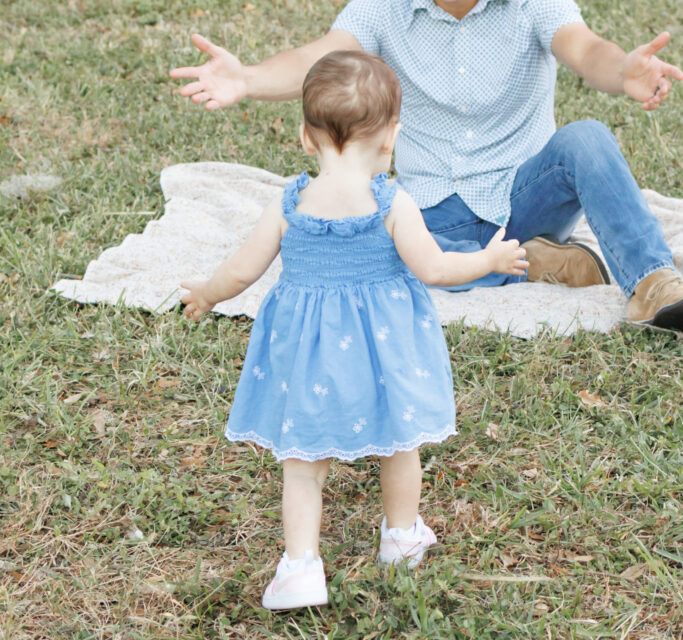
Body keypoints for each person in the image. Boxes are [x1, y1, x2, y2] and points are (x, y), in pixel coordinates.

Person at [171, 0, 683, 330]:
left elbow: (585, 49)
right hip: (432, 209)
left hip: (525, 195)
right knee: (361, 249)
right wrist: (248, 79)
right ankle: (536, 262)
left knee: (586, 139)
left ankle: (654, 285)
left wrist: (622, 71)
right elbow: (325, 55)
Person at [181, 51, 528, 610]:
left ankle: (299, 567)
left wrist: (205, 292)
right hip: (385, 354)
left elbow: (243, 269)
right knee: (399, 443)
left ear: (304, 136)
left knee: (302, 460)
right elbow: (436, 269)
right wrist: (488, 259)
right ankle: (401, 534)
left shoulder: (290, 202)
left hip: (308, 356)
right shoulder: (392, 202)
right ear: (391, 138)